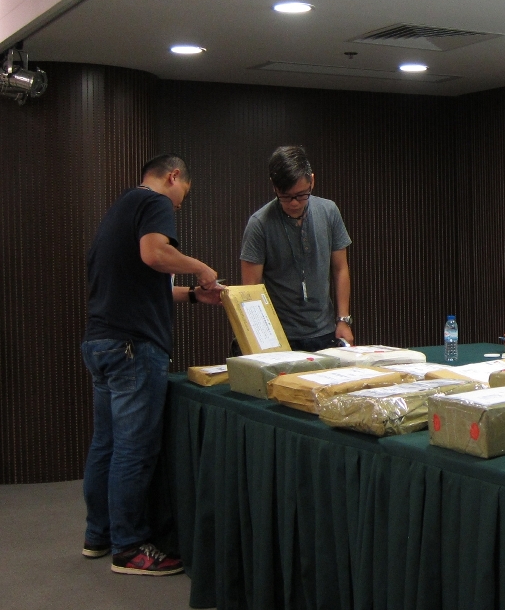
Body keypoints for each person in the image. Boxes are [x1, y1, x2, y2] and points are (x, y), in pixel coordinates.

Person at [82, 154, 224, 576]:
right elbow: (154, 254)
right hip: (133, 348)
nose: (179, 205)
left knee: (105, 445)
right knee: (133, 449)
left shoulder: (119, 211)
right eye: (184, 195)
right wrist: (201, 268)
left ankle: (99, 535)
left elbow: (146, 284)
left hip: (102, 342)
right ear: (174, 177)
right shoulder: (155, 202)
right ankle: (129, 547)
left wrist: (196, 296)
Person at [240, 146, 353, 351]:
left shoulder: (329, 211)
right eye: (285, 196)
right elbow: (251, 289)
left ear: (312, 180)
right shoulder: (259, 223)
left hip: (325, 331)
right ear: (274, 187)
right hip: (279, 336)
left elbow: (340, 269)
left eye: (301, 195)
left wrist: (343, 319)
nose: (293, 203)